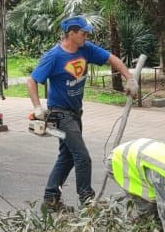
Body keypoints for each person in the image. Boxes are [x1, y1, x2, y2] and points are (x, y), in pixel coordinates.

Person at [28, 16, 136, 208]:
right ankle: (87, 199)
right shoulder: (54, 56)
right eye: (83, 33)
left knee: (67, 156)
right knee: (82, 155)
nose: (87, 36)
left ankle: (50, 199)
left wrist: (129, 78)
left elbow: (112, 59)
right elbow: (32, 81)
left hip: (76, 114)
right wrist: (37, 108)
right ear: (71, 33)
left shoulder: (86, 49)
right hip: (60, 115)